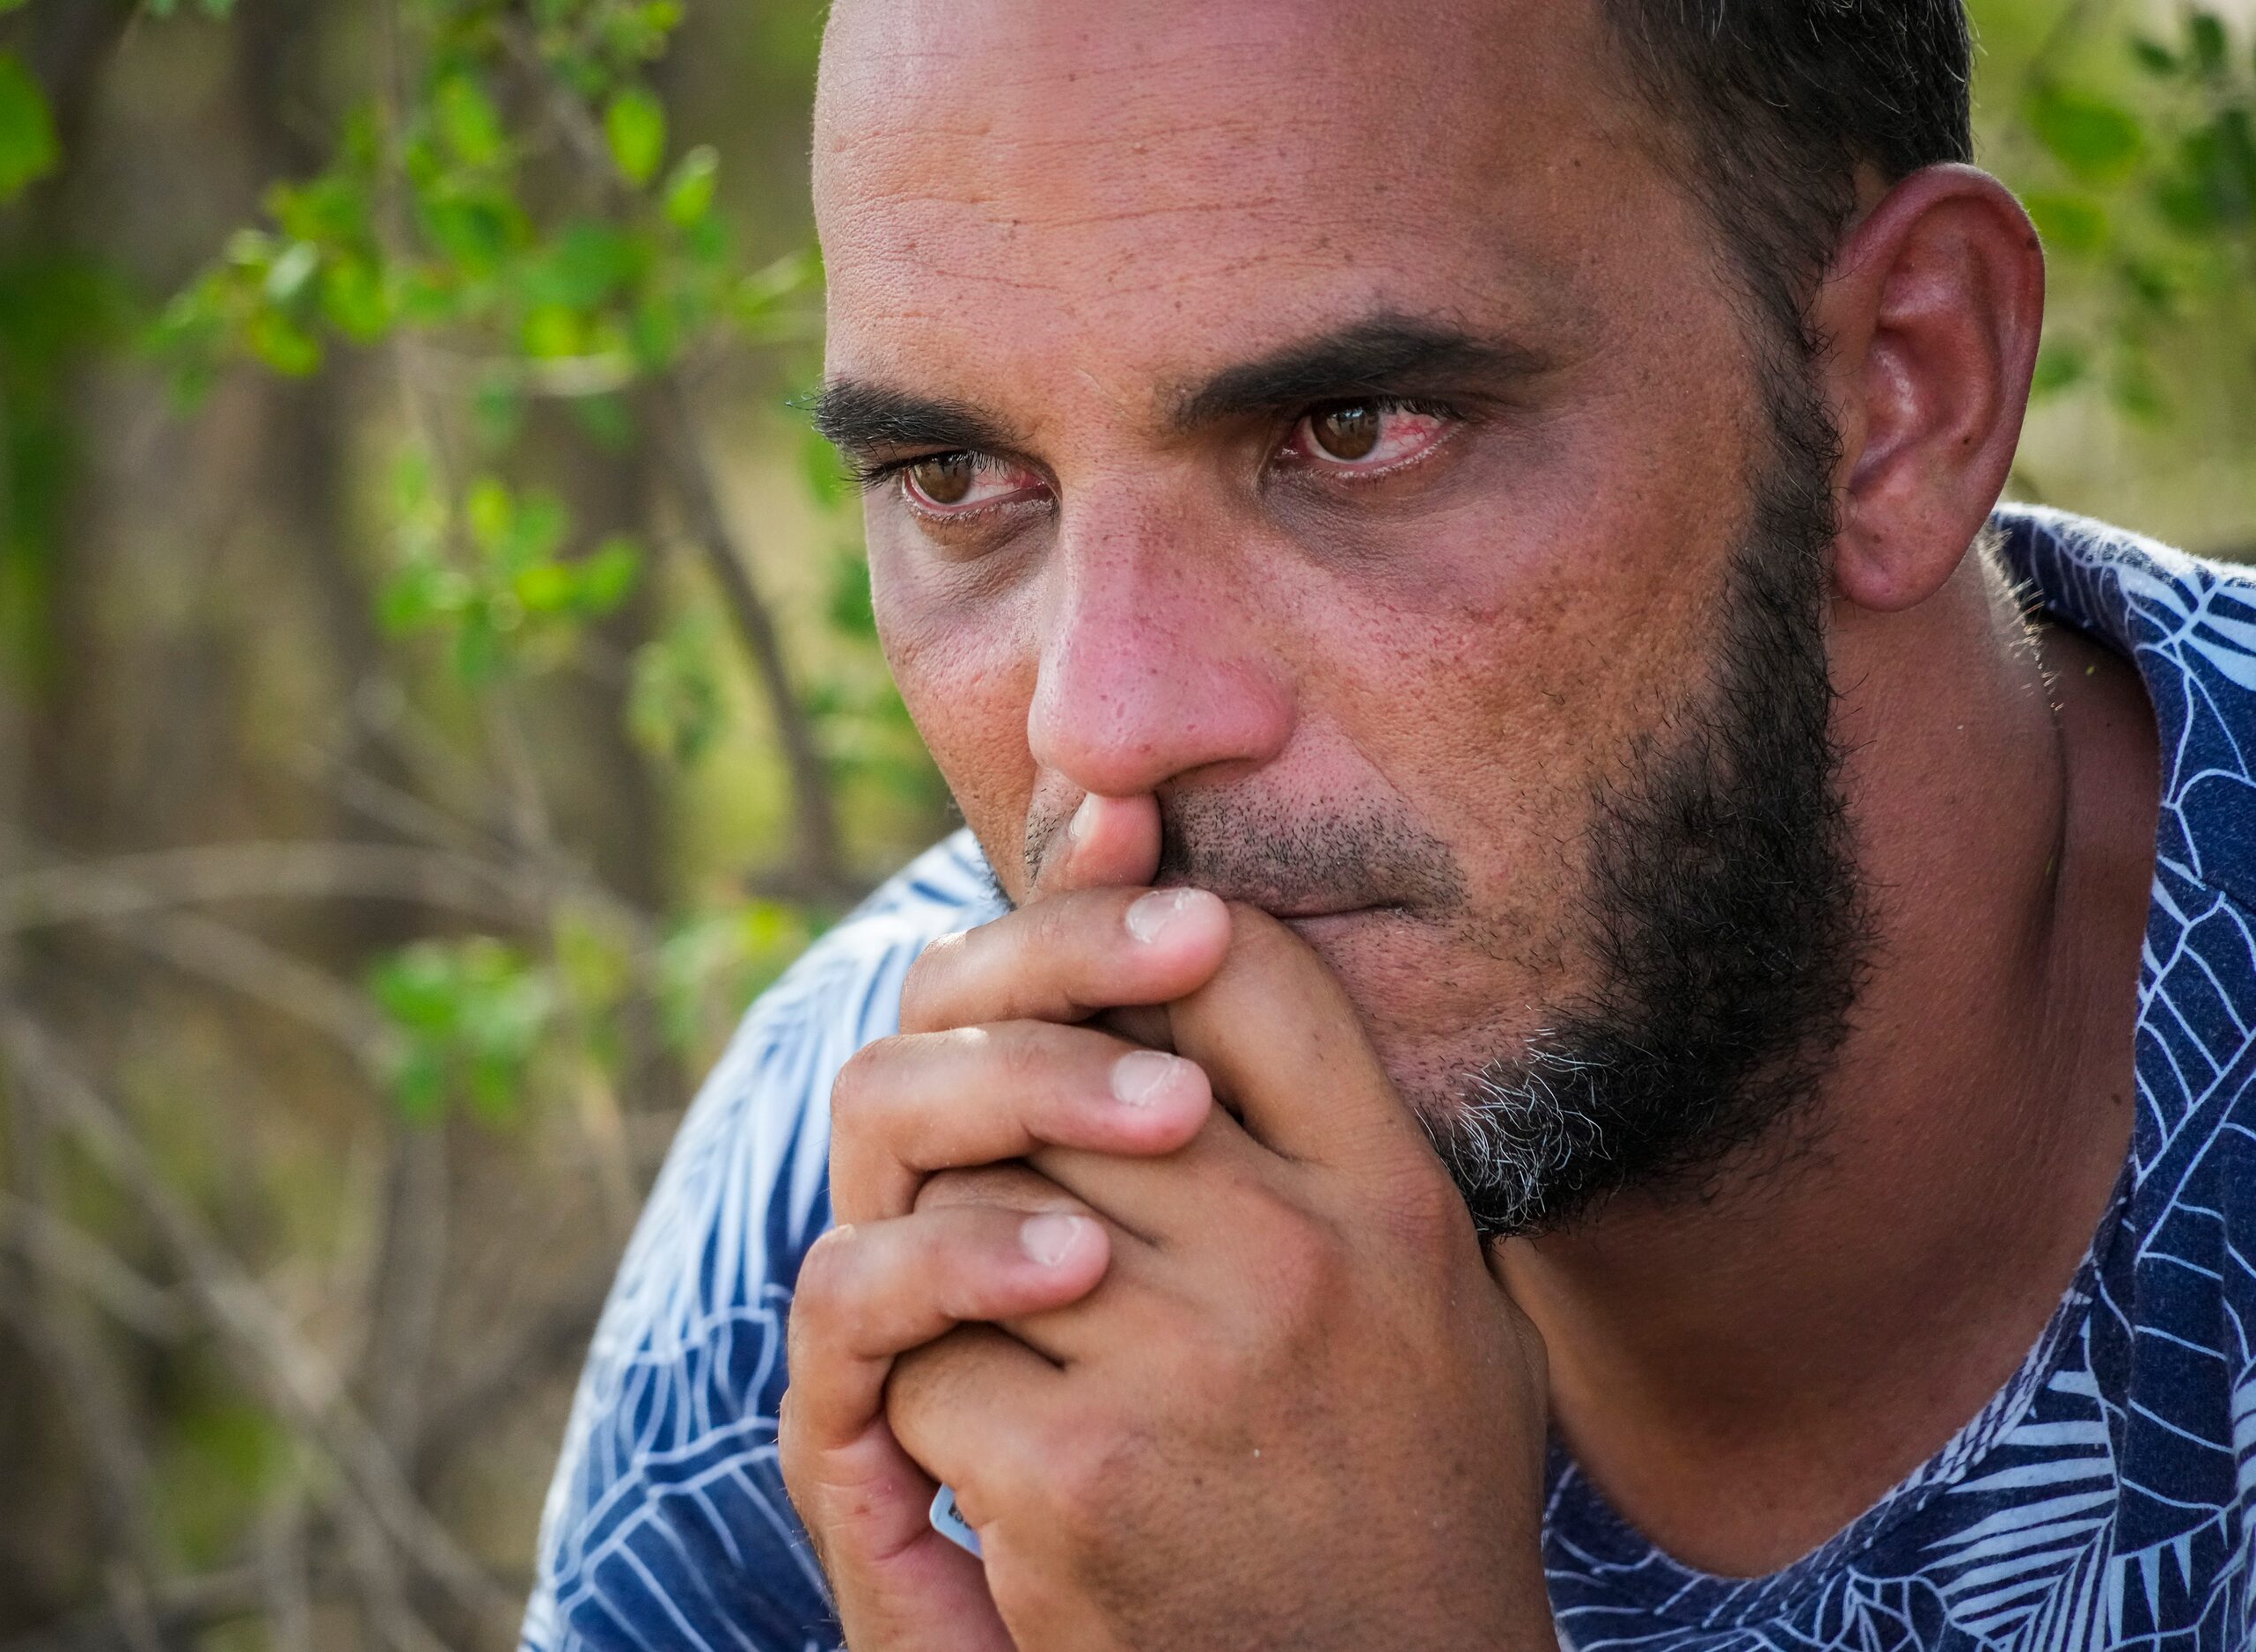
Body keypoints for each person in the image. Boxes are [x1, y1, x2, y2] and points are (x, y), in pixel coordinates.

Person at [522, 0, 2256, 1645]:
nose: (1104, 726)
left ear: (1901, 392)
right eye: (960, 483)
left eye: (1351, 433)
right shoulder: (853, 1219)